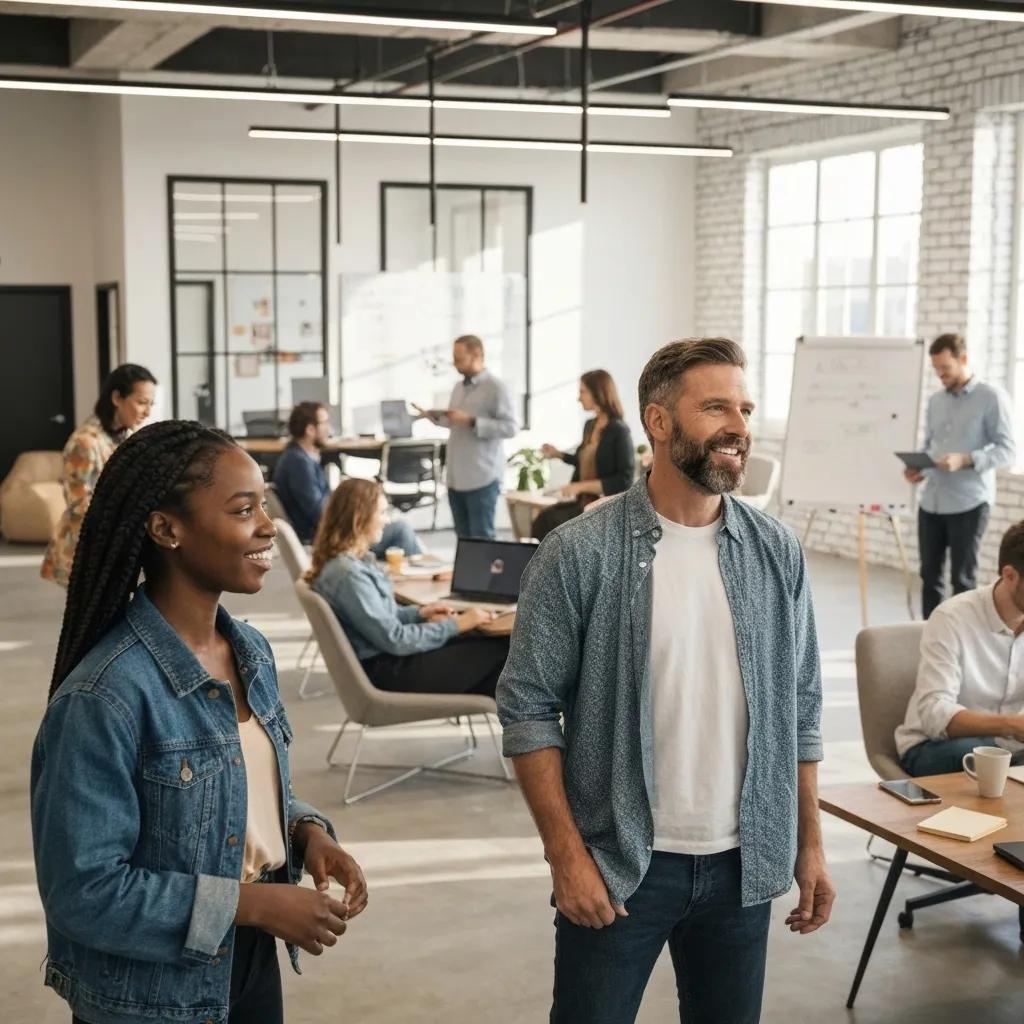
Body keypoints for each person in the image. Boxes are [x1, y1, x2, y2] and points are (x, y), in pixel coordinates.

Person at [497, 337, 834, 1024]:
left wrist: (811, 844)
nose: (739, 426)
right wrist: (567, 859)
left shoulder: (776, 552)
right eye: (716, 407)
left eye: (744, 407)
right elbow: (528, 711)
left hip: (744, 865)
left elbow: (801, 707)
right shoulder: (578, 553)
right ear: (658, 422)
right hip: (624, 866)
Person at [31, 420, 367, 1024]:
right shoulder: (104, 696)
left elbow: (230, 787)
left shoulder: (252, 653)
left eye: (264, 504)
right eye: (244, 510)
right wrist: (254, 904)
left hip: (249, 963)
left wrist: (304, 832)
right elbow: (83, 893)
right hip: (151, 996)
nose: (267, 526)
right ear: (166, 529)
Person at [307, 477, 509, 698]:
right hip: (389, 671)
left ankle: (523, 723)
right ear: (359, 518)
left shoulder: (349, 564)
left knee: (501, 666)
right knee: (504, 651)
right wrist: (457, 624)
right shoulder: (348, 575)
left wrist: (420, 613)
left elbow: (384, 619)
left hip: (389, 661)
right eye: (382, 513)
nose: (386, 521)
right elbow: (395, 639)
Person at [897, 521, 1024, 777]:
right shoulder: (952, 618)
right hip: (934, 747)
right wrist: (1012, 725)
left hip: (1011, 747)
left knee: (1001, 757)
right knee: (984, 754)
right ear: (1009, 575)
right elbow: (935, 713)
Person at [905, 333, 1015, 618]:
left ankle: (963, 642)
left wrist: (966, 460)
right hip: (931, 502)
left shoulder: (991, 398)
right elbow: (931, 446)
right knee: (929, 577)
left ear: (963, 359)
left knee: (962, 580)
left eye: (945, 368)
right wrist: (919, 468)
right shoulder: (936, 401)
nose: (940, 375)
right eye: (936, 369)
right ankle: (930, 636)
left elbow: (1008, 451)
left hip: (969, 502)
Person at [41, 363, 157, 587]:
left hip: (111, 546)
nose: (148, 411)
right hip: (86, 550)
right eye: (142, 402)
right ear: (117, 398)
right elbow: (79, 505)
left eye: (151, 404)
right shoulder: (85, 443)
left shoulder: (124, 436)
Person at [272, 400, 422, 555]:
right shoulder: (298, 463)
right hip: (326, 538)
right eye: (325, 423)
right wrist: (355, 514)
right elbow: (319, 512)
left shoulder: (301, 457)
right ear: (310, 429)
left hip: (327, 533)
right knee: (401, 530)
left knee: (393, 524)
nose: (329, 428)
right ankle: (427, 573)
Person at [414, 335, 517, 540]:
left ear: (477, 354)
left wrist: (472, 421)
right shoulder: (458, 388)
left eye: (459, 358)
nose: (454, 364)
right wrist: (434, 418)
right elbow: (455, 423)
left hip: (482, 477)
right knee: (463, 540)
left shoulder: (496, 388)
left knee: (482, 539)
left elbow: (510, 428)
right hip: (456, 478)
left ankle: (483, 575)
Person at [535, 369, 634, 541]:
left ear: (597, 393)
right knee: (543, 519)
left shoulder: (619, 430)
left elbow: (624, 480)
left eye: (582, 392)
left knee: (551, 522)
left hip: (603, 507)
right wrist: (558, 454)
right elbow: (585, 461)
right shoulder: (589, 425)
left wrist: (580, 487)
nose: (578, 398)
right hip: (582, 502)